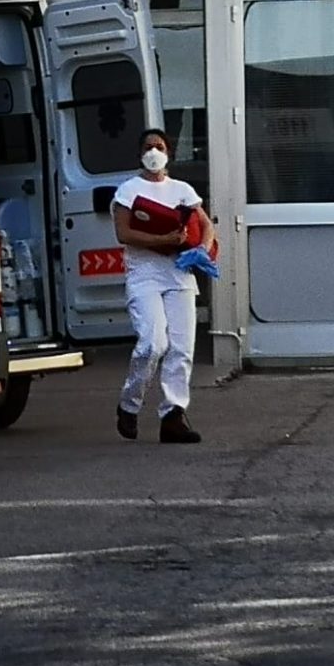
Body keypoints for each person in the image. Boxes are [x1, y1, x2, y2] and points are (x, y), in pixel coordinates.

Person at [110, 128, 212, 444]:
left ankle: (173, 415)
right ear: (140, 153)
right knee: (153, 343)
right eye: (148, 147)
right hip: (145, 275)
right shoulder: (128, 190)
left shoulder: (182, 190)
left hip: (179, 274)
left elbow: (205, 224)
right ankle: (129, 403)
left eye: (159, 146)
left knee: (181, 348)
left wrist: (203, 249)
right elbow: (124, 233)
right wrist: (163, 239)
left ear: (169, 153)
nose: (154, 152)